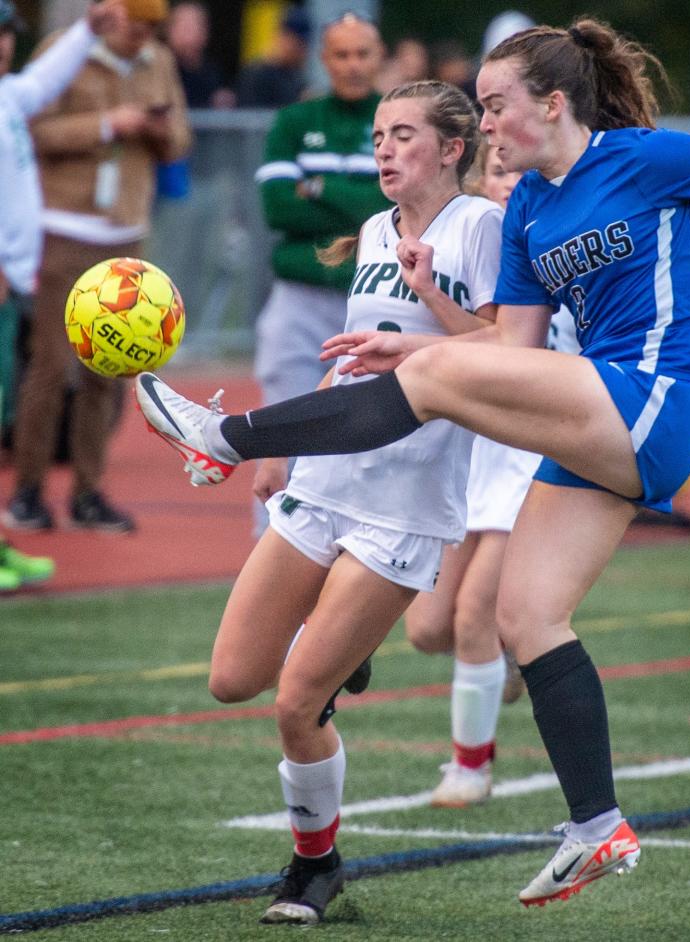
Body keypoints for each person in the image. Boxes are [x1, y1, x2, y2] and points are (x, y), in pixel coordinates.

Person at [136, 19, 690, 906]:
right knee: (525, 616)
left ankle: (228, 436)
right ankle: (597, 827)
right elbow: (506, 349)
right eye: (477, 107)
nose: (485, 124)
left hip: (656, 394)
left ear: (552, 105)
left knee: (441, 390)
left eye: (494, 105)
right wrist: (424, 336)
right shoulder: (527, 214)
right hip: (591, 418)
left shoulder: (643, 156)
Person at [198, 80, 500, 925]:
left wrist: (433, 303)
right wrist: (286, 448)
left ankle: (316, 868)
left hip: (406, 502)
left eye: (404, 134)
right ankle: (340, 650)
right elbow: (354, 358)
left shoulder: (482, 227)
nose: (383, 149)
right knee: (232, 680)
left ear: (451, 148)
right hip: (330, 480)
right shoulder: (372, 229)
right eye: (377, 136)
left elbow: (514, 353)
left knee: (297, 702)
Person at [404, 139, 579, 808]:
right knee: (427, 629)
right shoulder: (473, 246)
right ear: (480, 179)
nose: (510, 183)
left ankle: (470, 768)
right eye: (500, 172)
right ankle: (506, 656)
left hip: (531, 457)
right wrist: (424, 289)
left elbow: (513, 349)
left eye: (522, 174)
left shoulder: (558, 245)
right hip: (469, 456)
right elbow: (474, 345)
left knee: (475, 613)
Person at [3, 0, 190, 534]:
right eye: (136, 22)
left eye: (154, 26)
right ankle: (28, 492)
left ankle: (88, 492)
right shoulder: (65, 53)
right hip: (63, 229)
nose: (142, 35)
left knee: (107, 371)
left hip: (125, 232)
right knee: (48, 365)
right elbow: (27, 130)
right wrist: (107, 125)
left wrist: (157, 132)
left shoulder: (158, 60)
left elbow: (180, 139)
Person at [0, 0, 129, 586]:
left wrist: (84, 31)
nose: (5, 44)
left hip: (15, 279)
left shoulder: (7, 97)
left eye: (8, 34)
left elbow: (40, 81)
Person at [250, 11, 387, 533]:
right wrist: (360, 201)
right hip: (300, 300)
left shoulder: (395, 116)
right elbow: (277, 210)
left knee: (366, 441)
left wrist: (319, 187)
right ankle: (268, 558)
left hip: (374, 303)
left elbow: (394, 206)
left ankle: (351, 560)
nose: (352, 65)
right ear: (324, 59)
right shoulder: (294, 122)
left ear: (379, 58)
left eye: (362, 53)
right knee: (277, 434)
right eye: (341, 54)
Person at [234, 4, 310, 109]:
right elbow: (252, 118)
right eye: (297, 44)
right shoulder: (257, 74)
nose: (302, 51)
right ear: (283, 37)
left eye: (303, 45)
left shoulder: (293, 74)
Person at [165, 0, 234, 108]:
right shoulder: (160, 68)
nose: (190, 35)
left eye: (196, 26)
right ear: (169, 30)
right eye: (185, 28)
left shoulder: (213, 72)